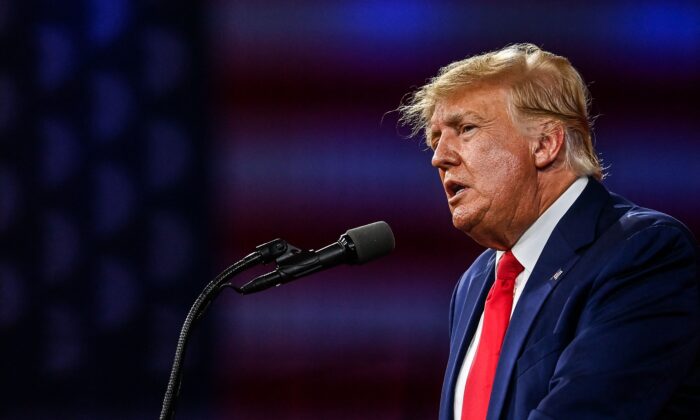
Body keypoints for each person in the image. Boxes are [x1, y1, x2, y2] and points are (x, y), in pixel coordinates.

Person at [399, 43, 700, 419]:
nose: (439, 157)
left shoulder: (642, 251)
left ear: (545, 144)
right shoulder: (476, 282)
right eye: (435, 139)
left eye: (466, 128)